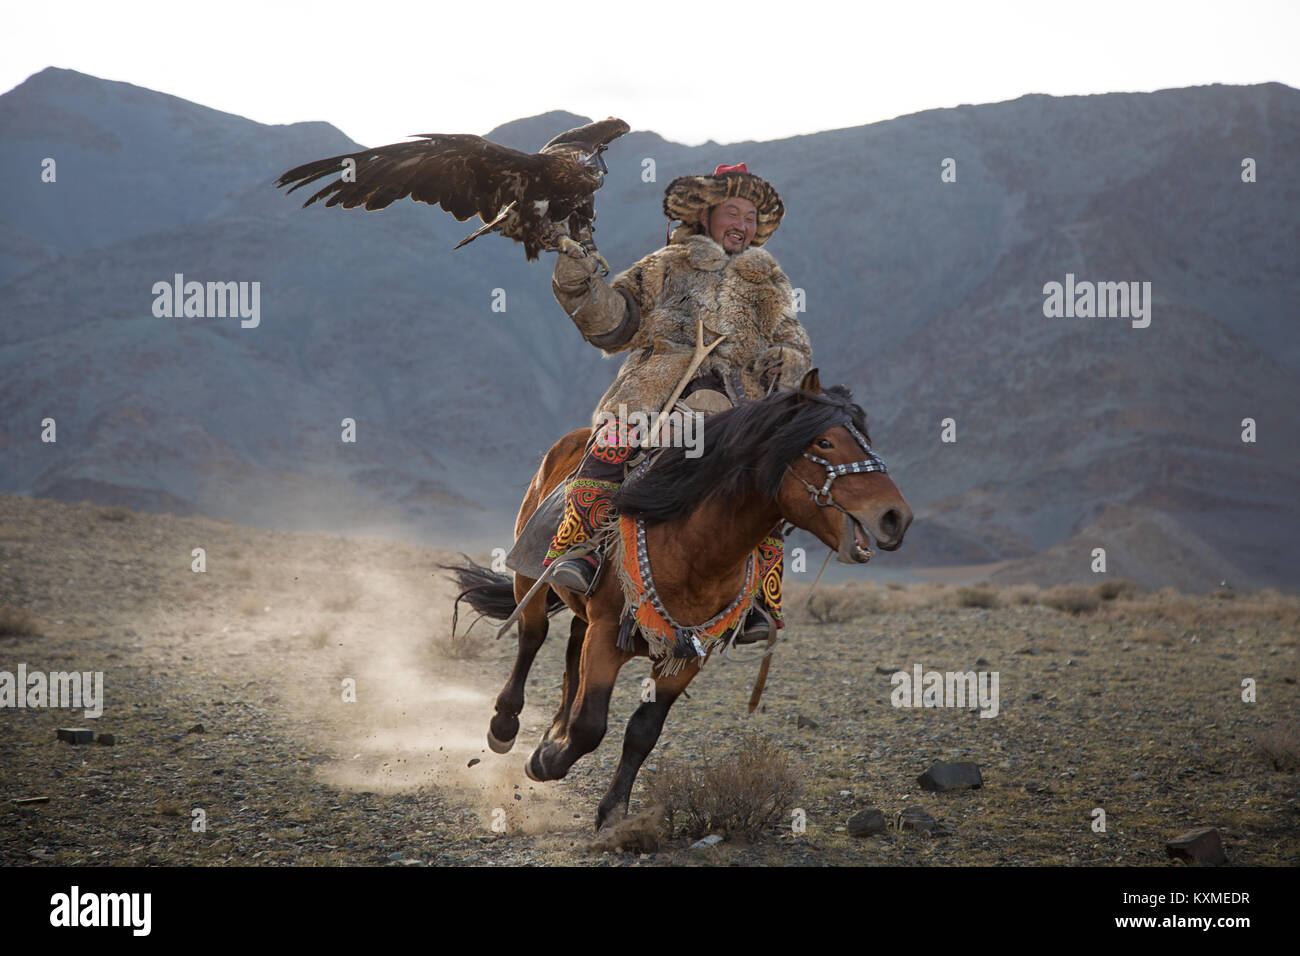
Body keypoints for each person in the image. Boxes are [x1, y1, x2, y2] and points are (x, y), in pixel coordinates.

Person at [545, 163, 811, 641]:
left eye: (751, 217)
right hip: (654, 396)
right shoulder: (663, 266)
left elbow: (793, 338)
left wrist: (787, 358)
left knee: (769, 484)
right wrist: (579, 279)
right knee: (612, 445)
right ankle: (578, 554)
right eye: (733, 212)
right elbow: (613, 322)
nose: (743, 225)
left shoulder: (768, 283)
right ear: (705, 215)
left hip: (736, 409)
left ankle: (756, 600)